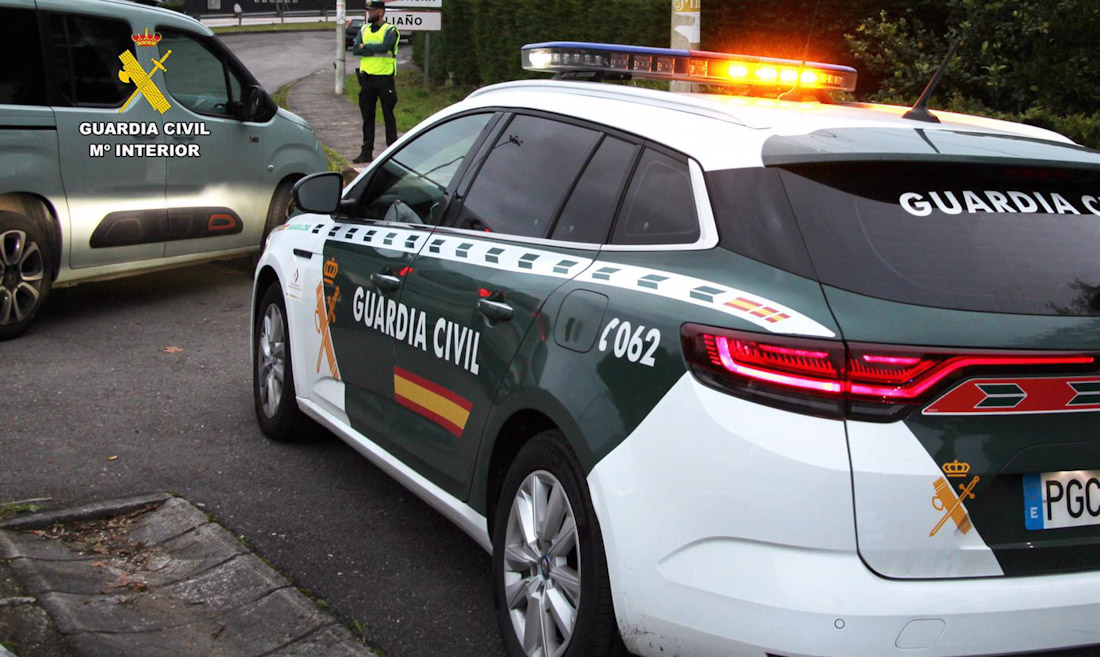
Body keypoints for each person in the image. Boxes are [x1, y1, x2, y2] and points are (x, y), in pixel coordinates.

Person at [352, 1, 400, 164]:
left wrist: (365, 45)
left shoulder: (391, 30)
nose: (369, 13)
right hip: (367, 80)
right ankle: (366, 152)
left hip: (384, 79)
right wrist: (367, 46)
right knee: (367, 117)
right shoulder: (364, 29)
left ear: (380, 12)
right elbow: (356, 49)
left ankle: (393, 152)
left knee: (388, 115)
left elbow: (385, 47)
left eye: (371, 11)